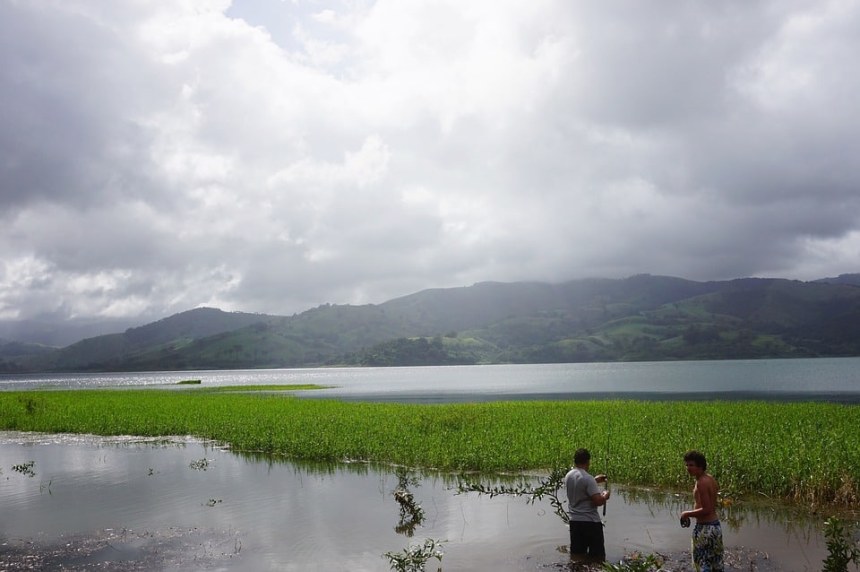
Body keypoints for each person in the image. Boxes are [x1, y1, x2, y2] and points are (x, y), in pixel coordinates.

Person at [680, 450, 724, 572]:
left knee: (701, 564)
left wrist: (686, 514)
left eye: (691, 465)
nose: (688, 468)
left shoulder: (701, 483)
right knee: (716, 563)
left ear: (700, 466)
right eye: (687, 465)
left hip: (705, 529)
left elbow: (707, 509)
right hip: (715, 527)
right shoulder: (709, 478)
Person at [564, 448, 609, 561]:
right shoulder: (588, 479)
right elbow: (598, 501)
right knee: (598, 557)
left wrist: (595, 481)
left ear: (575, 461)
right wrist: (605, 495)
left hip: (574, 522)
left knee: (577, 557)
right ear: (588, 461)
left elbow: (580, 486)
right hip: (590, 523)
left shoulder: (569, 476)